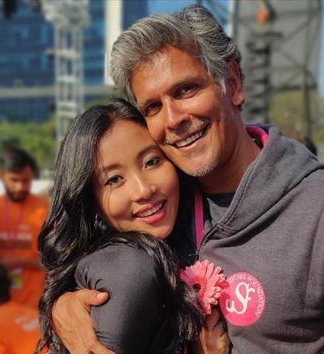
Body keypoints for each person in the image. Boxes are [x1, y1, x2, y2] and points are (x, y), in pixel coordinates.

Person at [49, 5, 324, 354]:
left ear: (232, 83)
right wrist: (63, 307)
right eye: (153, 107)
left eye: (186, 90)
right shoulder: (161, 209)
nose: (173, 119)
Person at [38, 100, 208, 354]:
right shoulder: (130, 269)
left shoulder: (172, 246)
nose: (143, 190)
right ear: (89, 201)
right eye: (114, 179)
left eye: (151, 162)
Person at [0, 146, 48, 308]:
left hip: (34, 304)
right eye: (14, 180)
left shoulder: (45, 210)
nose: (20, 187)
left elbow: (56, 262)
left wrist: (19, 262)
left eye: (26, 181)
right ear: (1, 175)